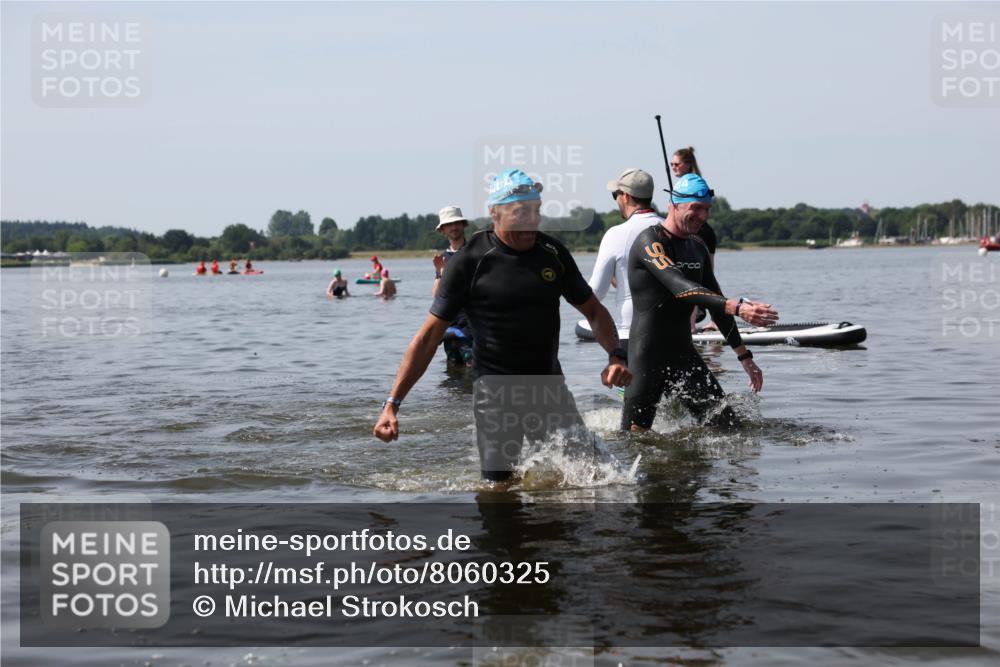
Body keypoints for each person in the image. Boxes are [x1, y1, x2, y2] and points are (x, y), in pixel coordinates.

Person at [373, 168, 630, 484]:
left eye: (535, 211)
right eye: (519, 212)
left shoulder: (552, 253)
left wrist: (616, 355)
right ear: (495, 214)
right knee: (500, 492)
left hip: (549, 389)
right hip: (495, 395)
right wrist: (392, 404)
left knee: (598, 479)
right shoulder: (470, 261)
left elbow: (593, 310)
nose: (530, 221)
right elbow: (428, 339)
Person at [624, 172, 778, 433]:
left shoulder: (697, 247)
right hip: (647, 356)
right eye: (696, 208)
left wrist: (744, 355)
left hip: (683, 355)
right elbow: (680, 287)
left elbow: (715, 300)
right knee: (635, 442)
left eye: (707, 209)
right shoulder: (649, 242)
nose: (703, 216)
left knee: (730, 430)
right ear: (674, 204)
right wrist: (738, 307)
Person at [587, 168, 662, 354]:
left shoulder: (615, 234)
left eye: (616, 195)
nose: (616, 200)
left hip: (631, 335)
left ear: (626, 197)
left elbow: (595, 293)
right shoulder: (670, 228)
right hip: (673, 336)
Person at [672, 146, 719, 331]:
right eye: (671, 165)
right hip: (706, 232)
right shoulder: (698, 181)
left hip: (700, 233)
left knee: (692, 279)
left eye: (677, 164)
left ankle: (691, 327)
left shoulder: (690, 183)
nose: (674, 167)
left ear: (687, 164)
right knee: (706, 278)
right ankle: (713, 320)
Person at [433, 205, 472, 365]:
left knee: (473, 373)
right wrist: (441, 272)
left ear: (463, 225)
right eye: (449, 224)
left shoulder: (474, 252)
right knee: (452, 375)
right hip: (449, 327)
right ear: (443, 230)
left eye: (457, 223)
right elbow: (437, 297)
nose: (454, 227)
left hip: (471, 326)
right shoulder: (442, 258)